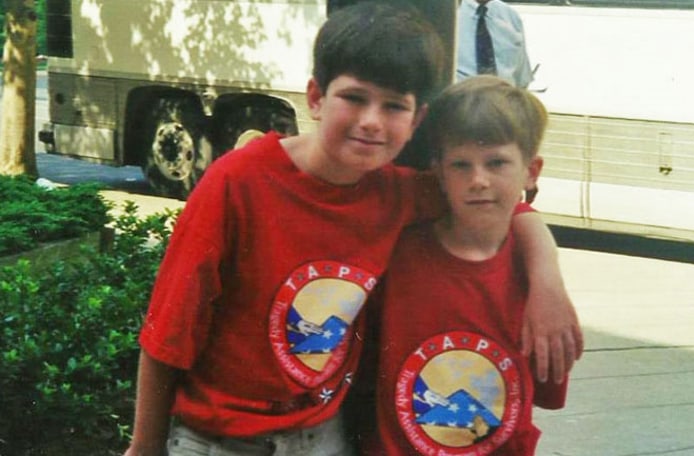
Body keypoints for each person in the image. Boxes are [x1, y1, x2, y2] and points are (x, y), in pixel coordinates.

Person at [123, 3, 580, 455]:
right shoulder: (237, 183)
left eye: (393, 106)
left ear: (416, 120)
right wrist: (143, 447)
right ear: (316, 97)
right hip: (218, 439)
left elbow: (493, 199)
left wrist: (546, 281)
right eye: (355, 98)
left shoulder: (399, 194)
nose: (371, 122)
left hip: (323, 434)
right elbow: (168, 332)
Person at [359, 76, 569, 455]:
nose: (478, 180)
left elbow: (538, 395)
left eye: (497, 162)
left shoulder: (540, 289)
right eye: (460, 165)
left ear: (531, 171)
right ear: (438, 172)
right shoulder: (399, 256)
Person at [457, 0, 534, 88]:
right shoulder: (444, 14)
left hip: (503, 99)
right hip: (457, 99)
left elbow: (521, 81)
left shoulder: (510, 16)